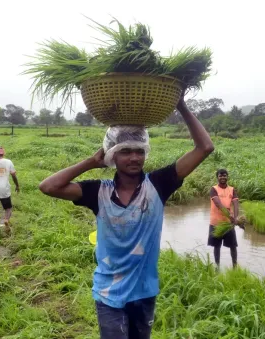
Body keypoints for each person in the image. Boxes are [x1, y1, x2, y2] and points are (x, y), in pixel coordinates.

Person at [39, 96, 214, 339]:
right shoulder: (97, 192)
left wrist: (180, 104)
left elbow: (205, 148)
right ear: (112, 155)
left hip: (144, 292)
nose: (134, 157)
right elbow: (48, 186)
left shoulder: (159, 185)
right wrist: (91, 162)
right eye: (125, 152)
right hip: (109, 293)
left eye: (139, 151)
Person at [208, 169, 241, 269]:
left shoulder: (232, 189)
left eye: (224, 175)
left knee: (233, 246)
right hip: (216, 223)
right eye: (220, 176)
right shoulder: (213, 189)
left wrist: (235, 218)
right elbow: (218, 204)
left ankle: (235, 267)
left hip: (228, 224)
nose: (222, 177)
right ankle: (217, 266)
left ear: (227, 177)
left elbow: (236, 204)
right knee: (217, 246)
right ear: (217, 177)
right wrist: (229, 216)